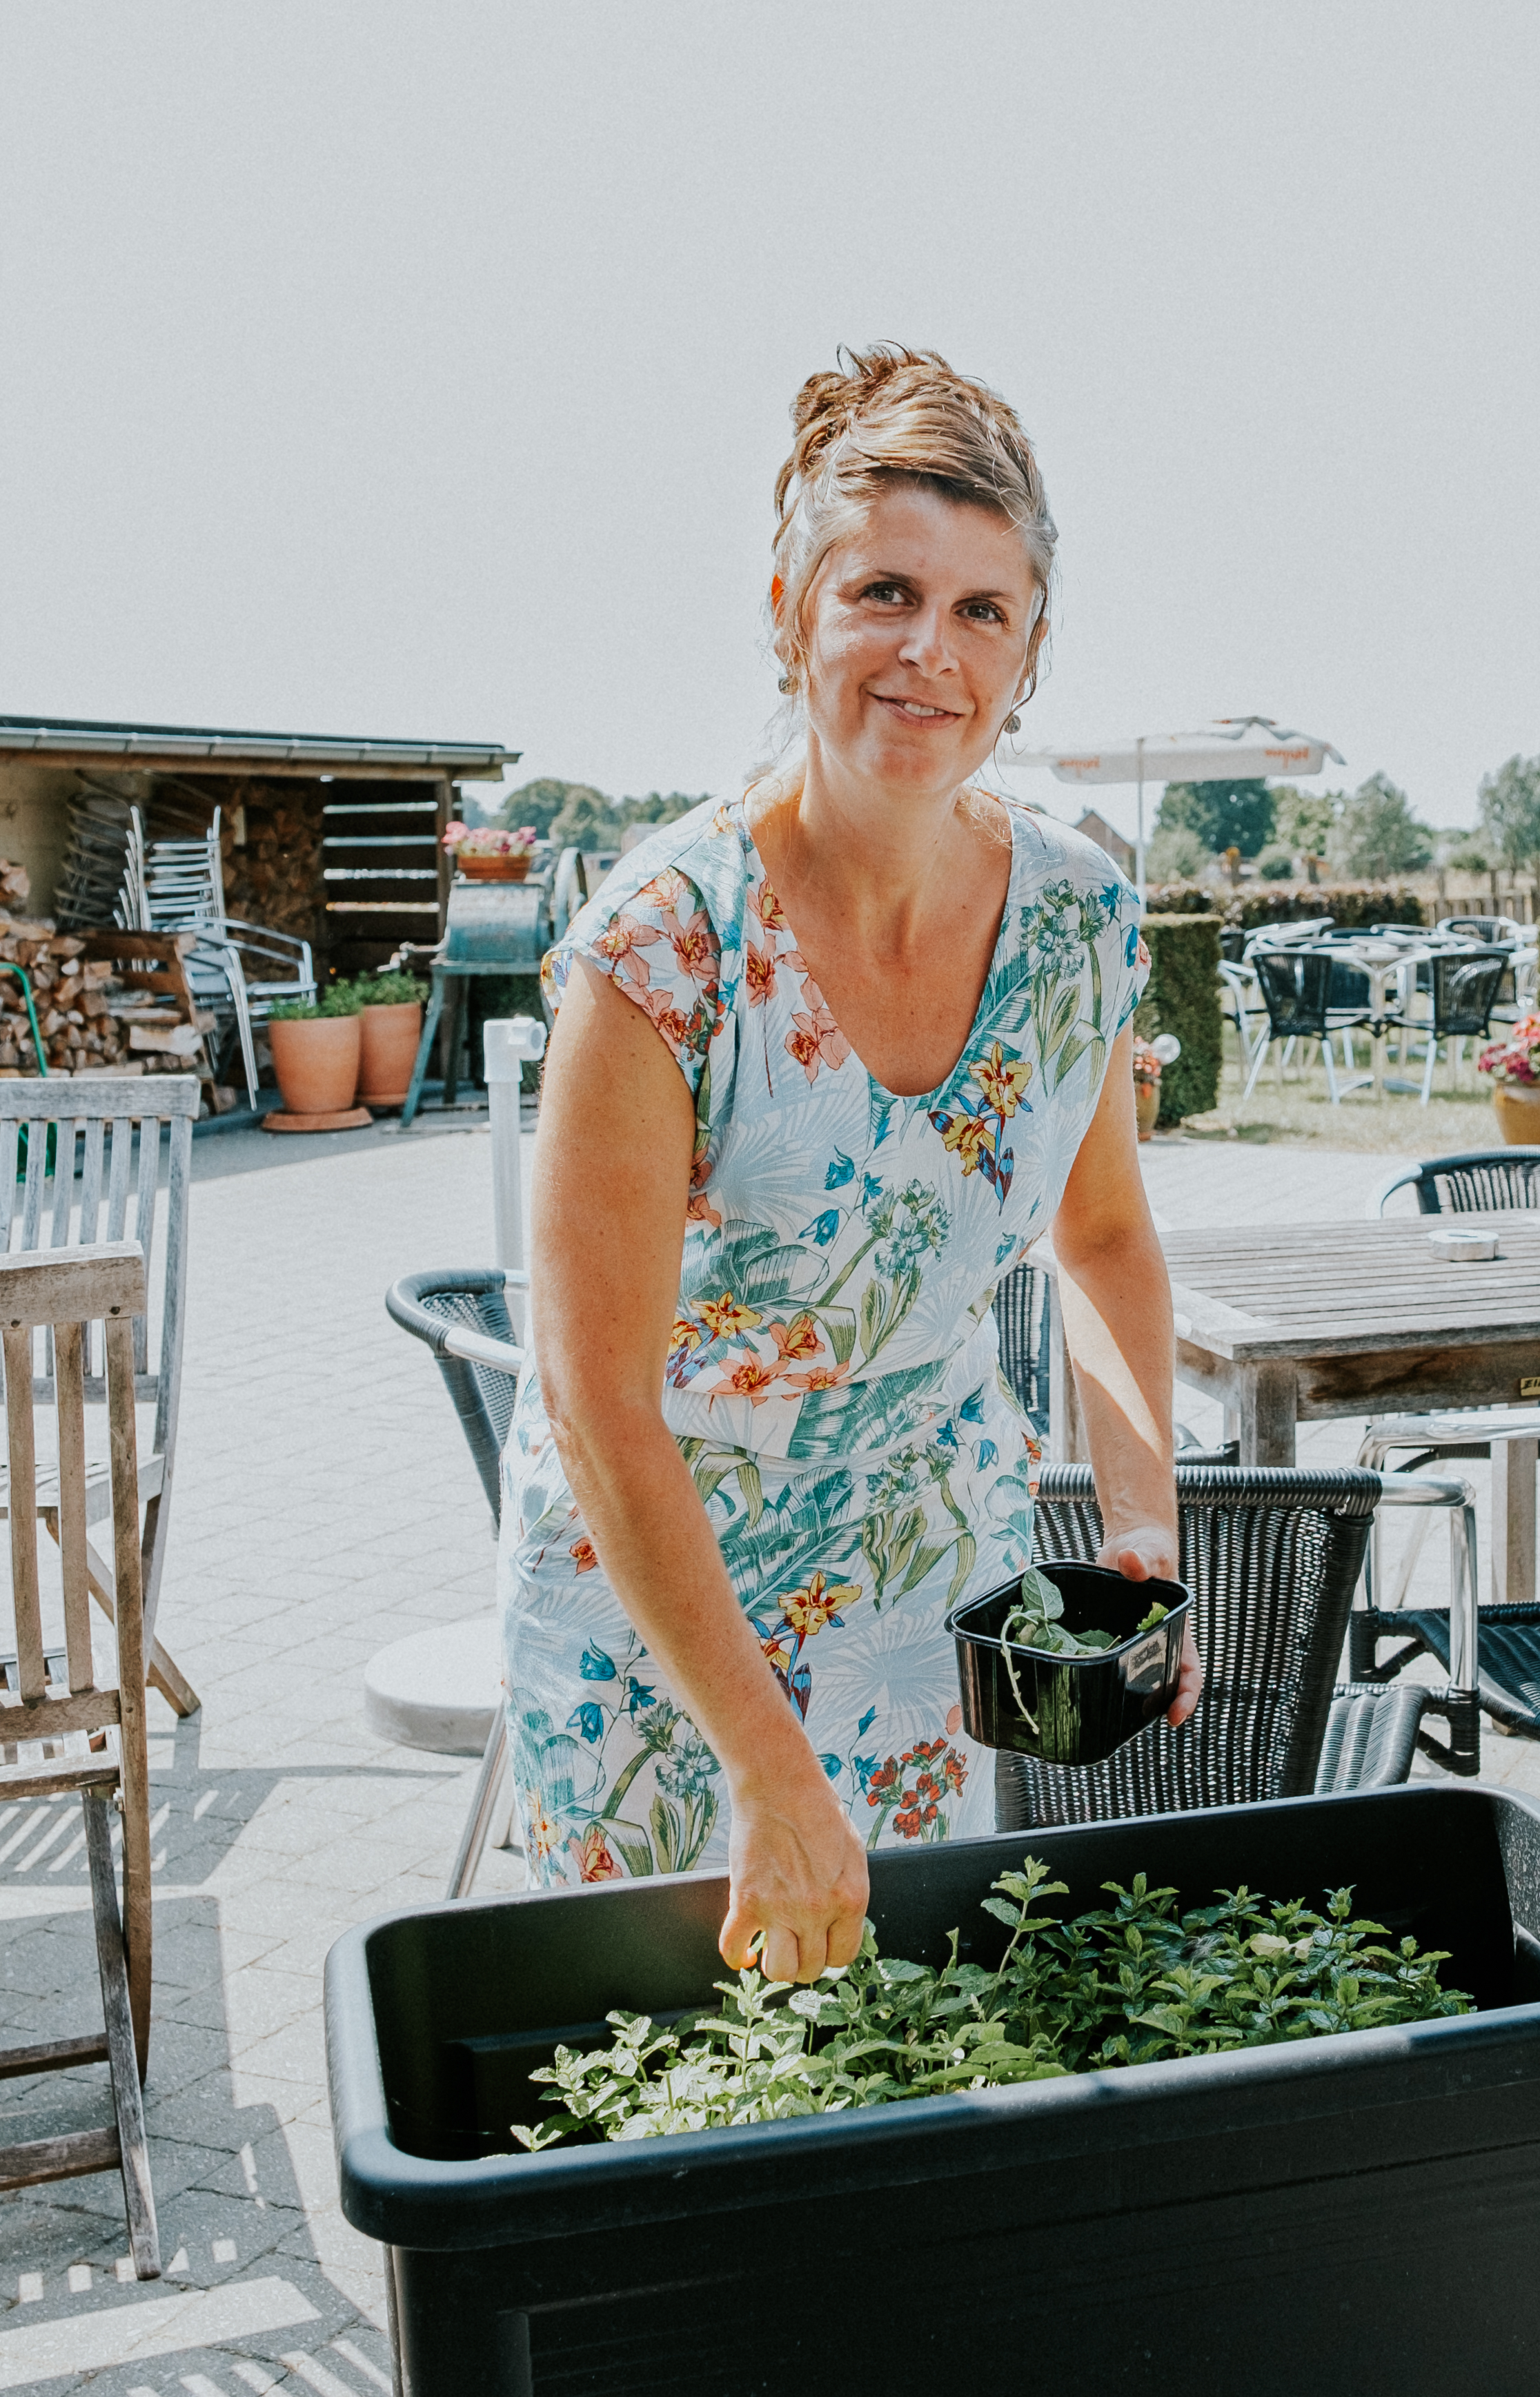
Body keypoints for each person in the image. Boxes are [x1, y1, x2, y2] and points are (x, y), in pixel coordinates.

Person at [508, 345, 1185, 1984]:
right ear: (793, 604)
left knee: (916, 2056)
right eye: (885, 590)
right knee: (674, 2093)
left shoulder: (1082, 919)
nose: (926, 653)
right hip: (659, 1625)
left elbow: (1100, 1236)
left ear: (1028, 656)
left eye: (981, 611)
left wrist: (1145, 1526)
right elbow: (595, 1393)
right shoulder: (661, 947)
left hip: (930, 1575)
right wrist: (762, 1759)